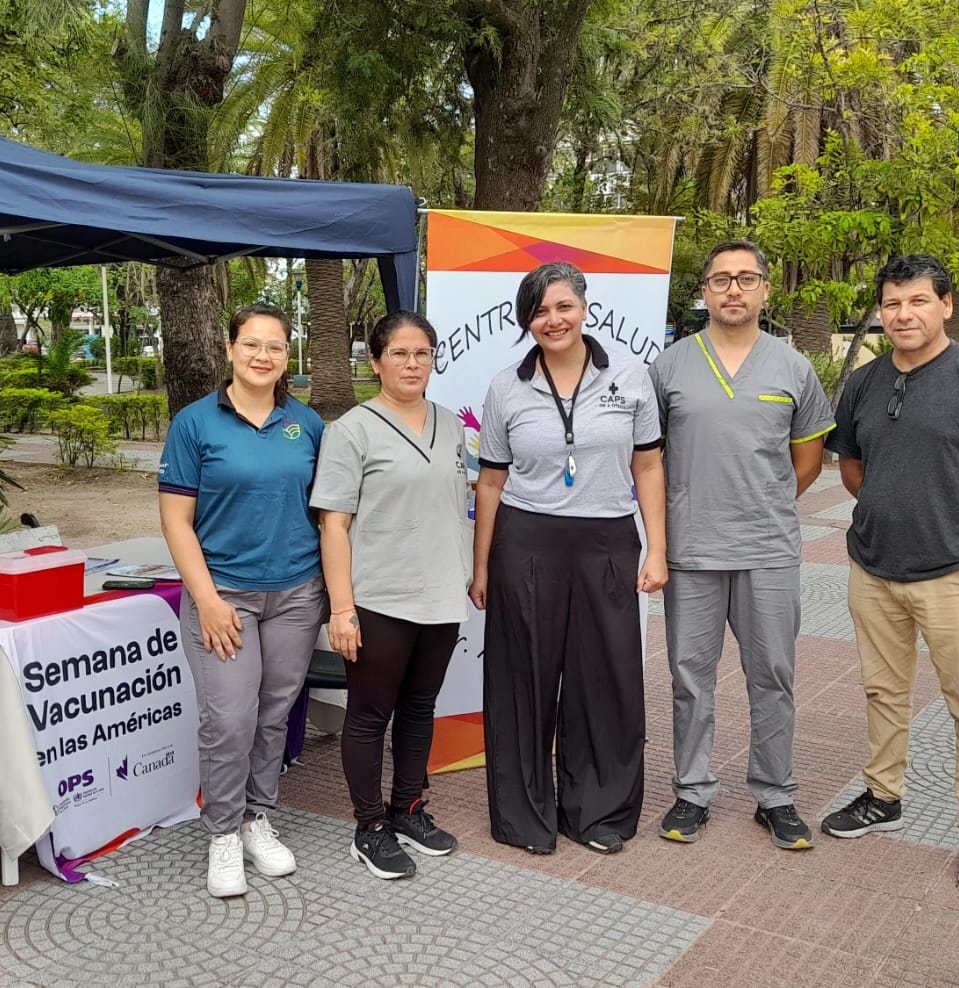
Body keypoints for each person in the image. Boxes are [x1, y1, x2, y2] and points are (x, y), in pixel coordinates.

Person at [821, 254, 959, 892]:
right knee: (883, 693)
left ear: (946, 305)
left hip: (957, 575)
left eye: (917, 301)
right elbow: (854, 469)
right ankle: (882, 797)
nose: (902, 314)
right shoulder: (863, 384)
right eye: (892, 304)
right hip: (875, 570)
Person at [470, 261, 668, 856]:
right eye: (539, 311)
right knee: (523, 680)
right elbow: (489, 482)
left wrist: (656, 547)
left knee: (603, 678)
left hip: (608, 539)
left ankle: (598, 814)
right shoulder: (507, 386)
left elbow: (649, 465)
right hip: (526, 541)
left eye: (562, 306)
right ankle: (524, 817)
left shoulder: (632, 376)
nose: (552, 320)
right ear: (526, 321)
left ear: (584, 306)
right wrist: (481, 568)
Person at [648, 240, 834, 851]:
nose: (733, 290)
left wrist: (766, 500)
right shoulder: (671, 366)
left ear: (764, 291)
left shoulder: (792, 367)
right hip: (692, 550)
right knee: (689, 676)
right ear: (703, 291)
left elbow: (808, 458)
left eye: (746, 279)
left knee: (772, 675)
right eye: (721, 279)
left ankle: (774, 795)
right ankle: (692, 791)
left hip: (768, 549)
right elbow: (649, 459)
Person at [158, 302, 327, 898]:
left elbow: (327, 515)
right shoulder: (195, 423)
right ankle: (223, 834)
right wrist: (203, 599)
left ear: (288, 356)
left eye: (276, 347)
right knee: (229, 719)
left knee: (274, 713)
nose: (263, 356)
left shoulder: (306, 424)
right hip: (223, 596)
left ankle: (258, 817)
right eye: (252, 344)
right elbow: (176, 520)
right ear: (230, 350)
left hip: (297, 594)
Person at [310, 311, 471, 880]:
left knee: (420, 707)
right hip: (379, 599)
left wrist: (472, 574)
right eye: (399, 354)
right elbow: (334, 526)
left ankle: (407, 808)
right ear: (374, 361)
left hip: (442, 595)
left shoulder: (451, 426)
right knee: (369, 715)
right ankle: (369, 825)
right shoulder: (350, 431)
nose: (412, 364)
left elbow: (457, 509)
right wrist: (343, 609)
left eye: (422, 353)